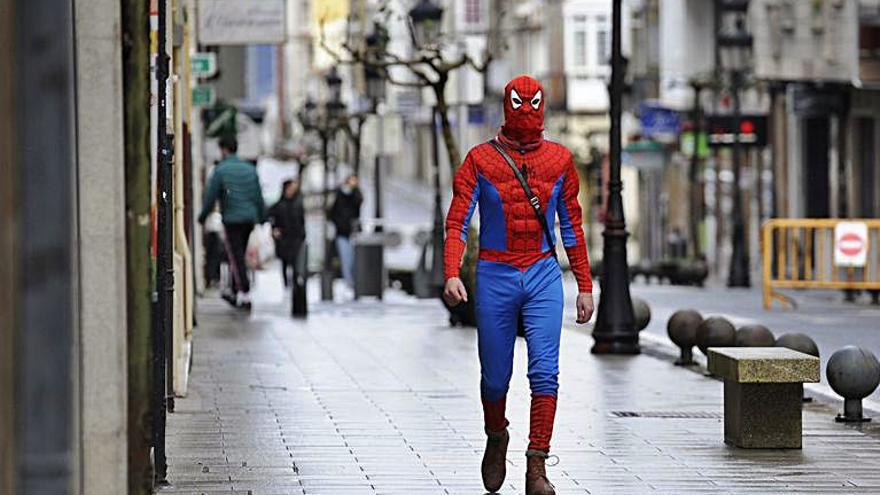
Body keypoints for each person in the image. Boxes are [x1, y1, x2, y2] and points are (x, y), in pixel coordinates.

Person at [443, 76, 594, 495]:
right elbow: (457, 219)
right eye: (518, 104)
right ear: (506, 107)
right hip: (495, 273)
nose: (526, 111)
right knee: (495, 377)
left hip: (544, 273)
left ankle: (537, 466)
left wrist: (585, 284)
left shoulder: (560, 160)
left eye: (533, 104)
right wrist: (452, 271)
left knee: (545, 372)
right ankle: (496, 436)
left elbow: (573, 226)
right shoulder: (479, 160)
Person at [198, 136, 265, 310]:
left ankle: (244, 293)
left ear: (224, 150)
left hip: (232, 219)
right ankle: (237, 291)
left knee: (235, 256)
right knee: (239, 254)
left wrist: (202, 216)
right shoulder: (250, 169)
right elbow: (258, 196)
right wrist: (262, 217)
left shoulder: (221, 170)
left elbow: (210, 196)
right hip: (249, 219)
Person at [268, 179, 306, 288]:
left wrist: (303, 234)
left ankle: (294, 280)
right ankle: (286, 282)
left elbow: (301, 220)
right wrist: (274, 229)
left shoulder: (298, 203)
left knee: (295, 259)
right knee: (284, 260)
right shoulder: (279, 205)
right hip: (283, 237)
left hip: (296, 235)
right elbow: (271, 217)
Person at [330, 174, 362, 286]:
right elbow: (332, 212)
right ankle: (349, 282)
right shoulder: (339, 195)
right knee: (345, 259)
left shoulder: (356, 195)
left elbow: (359, 201)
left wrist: (355, 189)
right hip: (342, 232)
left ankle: (354, 281)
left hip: (353, 232)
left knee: (354, 259)